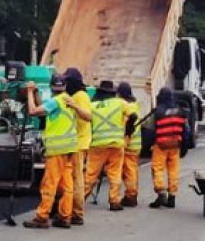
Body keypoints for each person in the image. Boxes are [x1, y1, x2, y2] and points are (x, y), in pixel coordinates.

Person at [23, 76, 91, 229]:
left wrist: (28, 92)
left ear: (51, 87)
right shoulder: (68, 100)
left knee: (49, 183)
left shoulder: (55, 101)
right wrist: (36, 93)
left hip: (57, 150)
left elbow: (33, 111)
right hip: (70, 149)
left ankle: (42, 216)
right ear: (65, 86)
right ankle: (65, 216)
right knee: (66, 183)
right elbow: (46, 110)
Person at [83, 80, 129, 211]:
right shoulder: (120, 103)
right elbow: (133, 115)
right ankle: (114, 200)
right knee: (115, 173)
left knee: (90, 174)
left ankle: (79, 200)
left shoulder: (92, 106)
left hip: (97, 144)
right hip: (116, 144)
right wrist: (127, 132)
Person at [149, 87, 188, 209]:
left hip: (161, 145)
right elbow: (185, 130)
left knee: (158, 169)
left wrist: (150, 144)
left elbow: (151, 130)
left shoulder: (158, 112)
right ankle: (172, 196)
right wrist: (184, 146)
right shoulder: (180, 111)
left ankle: (161, 193)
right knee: (173, 170)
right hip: (175, 145)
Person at [63, 68, 92, 225]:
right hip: (77, 143)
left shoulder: (80, 96)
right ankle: (71, 210)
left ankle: (76, 213)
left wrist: (74, 105)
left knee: (76, 179)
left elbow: (88, 116)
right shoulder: (77, 95)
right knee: (73, 178)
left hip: (78, 144)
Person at [117, 82, 141, 207]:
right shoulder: (135, 105)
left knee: (129, 171)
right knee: (132, 171)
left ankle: (131, 195)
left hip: (129, 144)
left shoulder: (127, 107)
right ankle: (132, 193)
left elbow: (126, 126)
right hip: (135, 144)